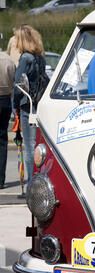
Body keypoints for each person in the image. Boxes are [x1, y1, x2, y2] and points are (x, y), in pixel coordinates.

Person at [13, 25, 46, 185]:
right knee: (37, 144)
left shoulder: (25, 58)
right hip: (38, 103)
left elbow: (18, 85)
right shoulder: (40, 57)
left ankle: (31, 183)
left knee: (29, 146)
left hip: (27, 105)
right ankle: (38, 179)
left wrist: (15, 105)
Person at [0, 40, 16, 188]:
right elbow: (13, 81)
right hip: (5, 100)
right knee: (3, 139)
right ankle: (1, 179)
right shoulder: (8, 60)